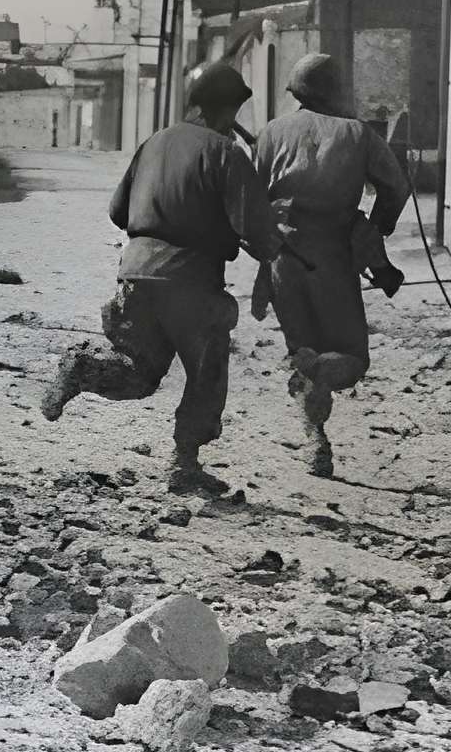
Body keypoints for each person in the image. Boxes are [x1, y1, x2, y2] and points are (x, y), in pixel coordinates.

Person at [37, 61, 278, 499]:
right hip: (191, 283)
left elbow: (118, 212)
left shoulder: (153, 143)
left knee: (140, 373)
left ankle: (83, 369)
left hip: (136, 273)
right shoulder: (225, 153)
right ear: (227, 110)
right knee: (207, 369)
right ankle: (184, 465)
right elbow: (258, 232)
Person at [247, 52, 413, 477]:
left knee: (302, 350)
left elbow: (253, 200)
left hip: (284, 256)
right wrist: (374, 231)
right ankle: (321, 387)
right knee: (352, 357)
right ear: (337, 91)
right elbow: (395, 187)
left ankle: (315, 441)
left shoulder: (270, 132)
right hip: (334, 256)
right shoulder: (358, 134)